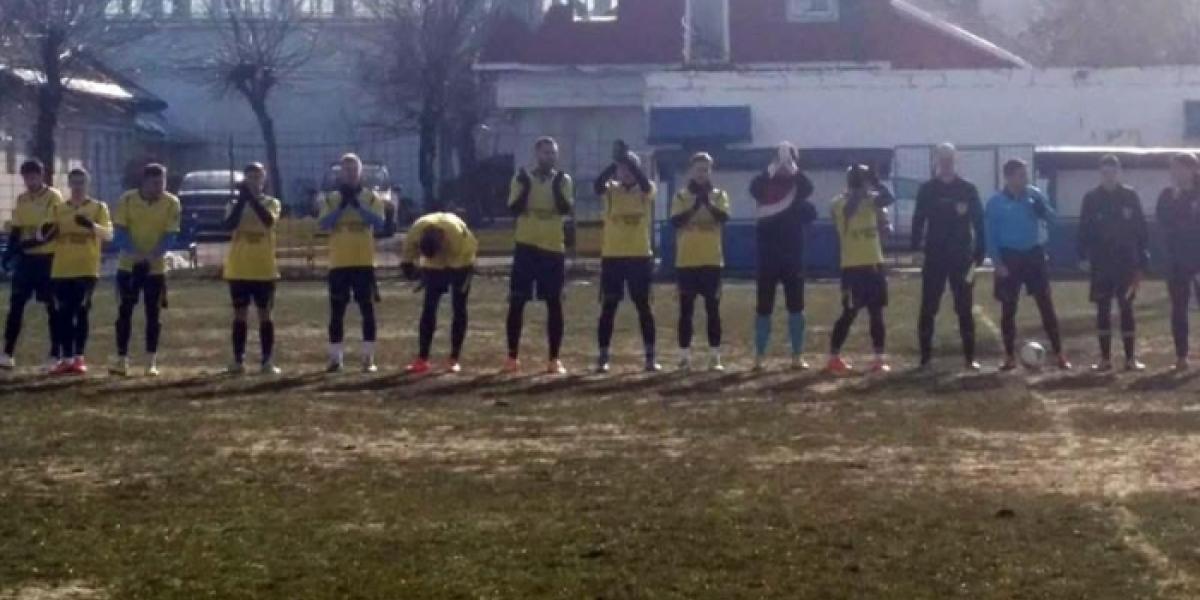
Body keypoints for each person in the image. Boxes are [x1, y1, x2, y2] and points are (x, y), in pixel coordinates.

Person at [986, 159, 1070, 371]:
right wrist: (997, 262)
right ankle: (1009, 356)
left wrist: (1043, 210)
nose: (1025, 179)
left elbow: (1053, 219)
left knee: (1046, 305)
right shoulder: (995, 203)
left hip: (1033, 254)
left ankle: (1059, 354)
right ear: (1009, 177)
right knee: (1008, 308)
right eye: (1020, 175)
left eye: (1025, 175)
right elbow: (990, 235)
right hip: (1009, 257)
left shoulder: (1034, 195)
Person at [912, 143, 986, 371]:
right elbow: (918, 220)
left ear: (956, 160)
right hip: (934, 256)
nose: (946, 163)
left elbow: (979, 221)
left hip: (962, 257)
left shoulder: (968, 189)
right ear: (936, 160)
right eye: (942, 158)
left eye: (950, 159)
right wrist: (915, 249)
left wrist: (980, 250)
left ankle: (969, 358)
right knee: (928, 307)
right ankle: (925, 358)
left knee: (964, 307)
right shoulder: (927, 189)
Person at [504, 137, 574, 375]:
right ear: (537, 154)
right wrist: (526, 187)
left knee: (554, 303)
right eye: (546, 153)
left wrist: (554, 186)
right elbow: (514, 208)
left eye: (553, 153)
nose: (550, 157)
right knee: (517, 301)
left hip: (553, 248)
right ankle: (512, 356)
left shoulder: (563, 180)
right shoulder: (521, 178)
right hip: (526, 246)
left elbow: (565, 208)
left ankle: (554, 358)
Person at [748, 142, 817, 370]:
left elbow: (808, 187)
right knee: (763, 307)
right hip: (767, 257)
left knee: (796, 307)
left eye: (790, 161)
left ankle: (797, 355)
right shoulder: (763, 185)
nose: (784, 166)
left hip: (792, 256)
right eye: (780, 160)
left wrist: (792, 167)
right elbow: (754, 188)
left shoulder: (797, 189)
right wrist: (772, 168)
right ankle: (759, 356)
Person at [1077, 154, 1148, 373]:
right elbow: (1083, 229)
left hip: (1126, 263)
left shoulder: (1130, 196)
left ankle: (1130, 359)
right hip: (1101, 264)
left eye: (1113, 172)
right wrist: (1082, 256)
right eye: (1105, 172)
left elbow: (1141, 229)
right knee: (1103, 309)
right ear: (1100, 173)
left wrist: (1142, 259)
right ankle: (1105, 359)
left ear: (1119, 173)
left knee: (1126, 308)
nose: (1109, 176)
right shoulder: (1091, 198)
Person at [594, 141, 659, 373]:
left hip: (639, 256)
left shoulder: (646, 189)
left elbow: (645, 184)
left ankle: (650, 357)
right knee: (609, 306)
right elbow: (597, 185)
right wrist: (615, 163)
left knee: (644, 307)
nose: (626, 172)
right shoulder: (611, 190)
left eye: (630, 168)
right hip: (613, 257)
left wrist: (630, 162)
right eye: (623, 169)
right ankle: (603, 356)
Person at [318, 153, 387, 373]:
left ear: (360, 172)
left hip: (364, 262)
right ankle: (335, 358)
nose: (350, 173)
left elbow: (379, 223)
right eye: (346, 170)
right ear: (341, 173)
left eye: (353, 169)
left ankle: (368, 358)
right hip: (338, 263)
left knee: (367, 310)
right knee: (337, 311)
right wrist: (342, 207)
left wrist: (356, 206)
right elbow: (324, 224)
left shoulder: (371, 197)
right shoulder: (331, 199)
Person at [111, 163, 181, 377]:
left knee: (153, 314)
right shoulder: (127, 200)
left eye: (162, 182)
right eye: (155, 183)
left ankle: (151, 361)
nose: (160, 187)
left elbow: (171, 234)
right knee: (125, 311)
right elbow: (119, 232)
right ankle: (121, 359)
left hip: (155, 269)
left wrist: (154, 254)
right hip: (128, 266)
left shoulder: (172, 202)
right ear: (144, 182)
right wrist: (135, 253)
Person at [828, 165, 895, 375]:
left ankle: (879, 358)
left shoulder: (872, 201)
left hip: (874, 264)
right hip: (852, 267)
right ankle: (834, 356)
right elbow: (849, 210)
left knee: (877, 313)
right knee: (849, 313)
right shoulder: (839, 202)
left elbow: (889, 198)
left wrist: (876, 183)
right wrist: (861, 191)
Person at [46, 168, 112, 375]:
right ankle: (66, 358)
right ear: (69, 184)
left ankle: (79, 357)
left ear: (87, 184)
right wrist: (43, 234)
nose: (77, 187)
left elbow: (108, 235)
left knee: (81, 311)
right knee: (63, 313)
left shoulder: (98, 207)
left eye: (81, 182)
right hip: (62, 269)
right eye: (74, 182)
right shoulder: (58, 209)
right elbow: (48, 232)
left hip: (86, 269)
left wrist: (91, 225)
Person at [1, 159, 63, 370]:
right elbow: (16, 230)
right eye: (26, 177)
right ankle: (7, 352)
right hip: (26, 261)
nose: (30, 180)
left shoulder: (53, 197)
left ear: (41, 175)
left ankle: (55, 354)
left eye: (34, 176)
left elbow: (50, 231)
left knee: (52, 307)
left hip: (47, 259)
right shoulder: (22, 199)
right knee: (16, 305)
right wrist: (9, 253)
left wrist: (25, 245)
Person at [222, 163, 283, 375]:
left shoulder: (272, 203)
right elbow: (229, 225)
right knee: (240, 314)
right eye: (250, 178)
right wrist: (243, 200)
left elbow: (268, 221)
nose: (254, 182)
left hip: (264, 269)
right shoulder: (234, 203)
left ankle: (267, 360)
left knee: (265, 314)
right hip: (239, 268)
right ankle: (238, 359)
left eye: (257, 177)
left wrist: (252, 199)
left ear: (263, 180)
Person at [672, 152, 730, 372]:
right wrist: (696, 206)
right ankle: (684, 356)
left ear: (710, 171)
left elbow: (723, 217)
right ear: (691, 171)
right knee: (685, 311)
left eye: (705, 170)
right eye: (698, 169)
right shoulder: (681, 196)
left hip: (712, 261)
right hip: (686, 262)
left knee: (713, 310)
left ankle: (715, 356)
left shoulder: (719, 195)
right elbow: (676, 221)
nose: (701, 174)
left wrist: (708, 204)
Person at [400, 212, 478, 375]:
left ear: (442, 240)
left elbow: (454, 269)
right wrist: (419, 274)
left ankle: (454, 358)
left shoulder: (457, 238)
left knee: (458, 306)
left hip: (462, 261)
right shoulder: (414, 233)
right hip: (432, 263)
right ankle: (422, 358)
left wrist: (439, 277)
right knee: (429, 308)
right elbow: (406, 265)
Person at [1157, 152, 1200, 371]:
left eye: (1179, 168)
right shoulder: (1167, 195)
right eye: (1172, 169)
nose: (1174, 173)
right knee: (1179, 308)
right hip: (1176, 261)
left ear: (1192, 169)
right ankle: (1181, 355)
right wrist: (1176, 200)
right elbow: (1162, 223)